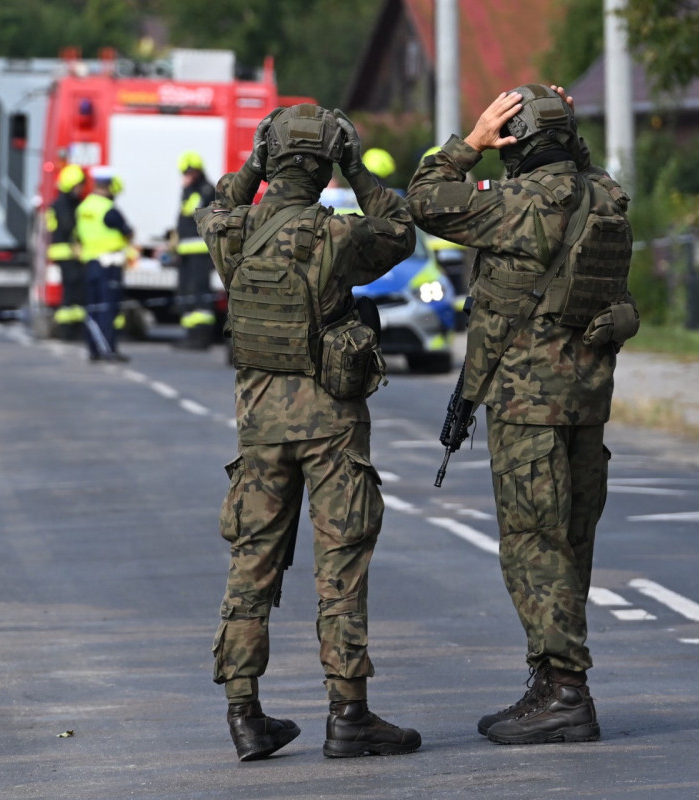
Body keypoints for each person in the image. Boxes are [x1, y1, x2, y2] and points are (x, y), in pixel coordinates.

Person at [405, 85, 639, 746]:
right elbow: (583, 173)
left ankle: (565, 693)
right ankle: (549, 680)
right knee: (569, 545)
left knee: (535, 547)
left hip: (528, 405)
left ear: (517, 145)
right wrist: (564, 130)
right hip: (587, 402)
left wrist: (472, 141)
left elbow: (425, 198)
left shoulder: (514, 205)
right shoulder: (607, 197)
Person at [196, 104, 421, 761]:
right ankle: (349, 715)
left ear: (269, 162)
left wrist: (252, 165)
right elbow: (401, 229)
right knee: (340, 567)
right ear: (326, 165)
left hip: (261, 424)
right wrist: (356, 168)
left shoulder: (232, 232)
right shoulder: (338, 237)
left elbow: (216, 203)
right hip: (331, 424)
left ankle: (245, 714)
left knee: (251, 563)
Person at [75, 167, 133, 363]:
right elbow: (127, 231)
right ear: (109, 186)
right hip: (109, 265)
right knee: (109, 308)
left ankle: (93, 348)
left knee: (93, 307)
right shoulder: (109, 210)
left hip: (90, 262)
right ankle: (108, 349)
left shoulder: (84, 207)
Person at [173, 151, 217, 350]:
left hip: (199, 252)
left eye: (189, 172)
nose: (186, 176)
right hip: (186, 252)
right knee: (187, 293)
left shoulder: (205, 191)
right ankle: (190, 334)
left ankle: (201, 336)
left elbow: (195, 213)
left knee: (199, 294)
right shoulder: (190, 190)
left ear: (197, 171)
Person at [47, 164, 86, 340]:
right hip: (66, 251)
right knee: (70, 291)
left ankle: (73, 327)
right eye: (78, 186)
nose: (81, 189)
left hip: (70, 252)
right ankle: (65, 329)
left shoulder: (67, 202)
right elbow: (68, 226)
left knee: (75, 290)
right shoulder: (63, 204)